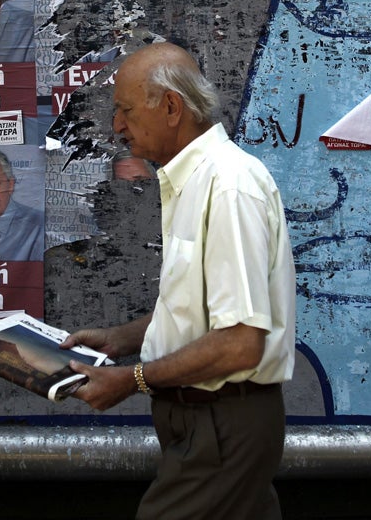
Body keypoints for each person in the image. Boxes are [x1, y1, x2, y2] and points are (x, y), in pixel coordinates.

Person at [59, 42, 296, 520]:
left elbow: (240, 344)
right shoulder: (192, 182)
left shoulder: (228, 186)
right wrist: (120, 339)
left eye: (125, 109)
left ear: (171, 107)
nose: (116, 126)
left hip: (222, 426)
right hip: (208, 426)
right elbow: (200, 311)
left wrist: (130, 380)